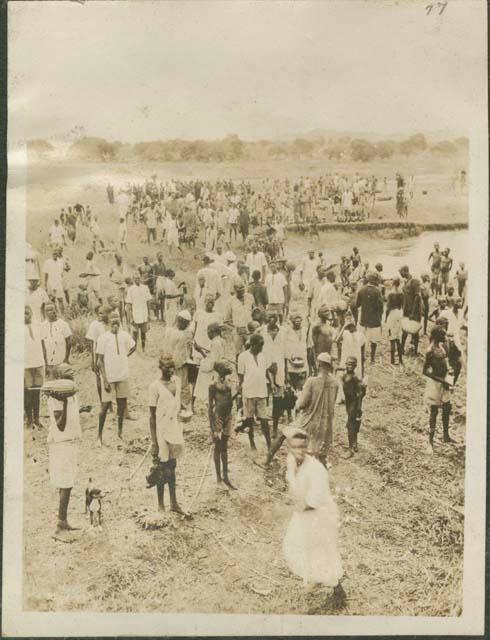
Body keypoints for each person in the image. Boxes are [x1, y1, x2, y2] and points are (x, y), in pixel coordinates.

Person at [282, 425, 345, 600]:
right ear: (289, 447)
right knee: (297, 545)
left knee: (322, 551)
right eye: (295, 447)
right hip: (304, 512)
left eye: (302, 447)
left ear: (307, 446)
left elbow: (314, 501)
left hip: (320, 514)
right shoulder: (292, 461)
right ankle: (314, 578)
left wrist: (287, 510)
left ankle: (337, 589)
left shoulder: (316, 469)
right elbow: (293, 486)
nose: (299, 451)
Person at [45, 364, 82, 542]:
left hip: (71, 442)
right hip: (61, 444)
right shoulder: (56, 399)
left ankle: (64, 520)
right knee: (65, 483)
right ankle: (59, 526)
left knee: (68, 483)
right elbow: (60, 425)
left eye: (72, 375)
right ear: (60, 379)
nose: (71, 378)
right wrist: (65, 402)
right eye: (68, 376)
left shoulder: (70, 394)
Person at [148, 354, 188, 515]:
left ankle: (174, 502)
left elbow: (178, 401)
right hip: (161, 429)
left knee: (172, 466)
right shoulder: (155, 386)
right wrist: (154, 442)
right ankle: (160, 504)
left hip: (175, 427)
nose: (170, 370)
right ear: (160, 368)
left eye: (172, 367)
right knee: (161, 468)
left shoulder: (177, 381)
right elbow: (151, 416)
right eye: (166, 367)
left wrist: (185, 410)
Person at [96, 313, 136, 444]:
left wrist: (124, 357)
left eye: (117, 322)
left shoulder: (124, 335)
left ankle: (119, 433)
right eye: (113, 322)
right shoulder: (103, 338)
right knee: (105, 406)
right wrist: (105, 379)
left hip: (122, 376)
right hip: (109, 378)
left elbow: (133, 346)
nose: (115, 325)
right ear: (108, 324)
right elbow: (100, 361)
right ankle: (99, 437)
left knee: (122, 405)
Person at [295, 352, 338, 468]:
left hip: (310, 423)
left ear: (318, 365)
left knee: (293, 438)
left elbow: (302, 404)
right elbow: (333, 402)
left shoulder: (311, 381)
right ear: (329, 366)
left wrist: (297, 400)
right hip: (326, 424)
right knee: (321, 454)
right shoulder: (335, 382)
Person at [236, 332, 272, 452]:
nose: (261, 348)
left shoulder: (263, 356)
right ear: (252, 344)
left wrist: (271, 384)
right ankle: (252, 443)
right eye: (259, 345)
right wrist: (240, 390)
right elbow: (240, 376)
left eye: (262, 345)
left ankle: (269, 444)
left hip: (261, 391)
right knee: (249, 419)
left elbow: (266, 372)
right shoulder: (243, 357)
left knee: (264, 420)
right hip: (249, 392)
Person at [423, 326, 455, 449]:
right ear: (437, 336)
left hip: (444, 382)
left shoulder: (441, 346)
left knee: (447, 407)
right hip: (435, 384)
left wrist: (449, 373)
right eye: (442, 335)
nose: (445, 337)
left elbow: (445, 363)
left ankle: (446, 435)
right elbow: (425, 371)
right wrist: (441, 379)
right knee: (434, 411)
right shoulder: (430, 350)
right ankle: (430, 441)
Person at [208, 360, 236, 490]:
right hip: (218, 416)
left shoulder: (229, 382)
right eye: (225, 367)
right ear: (220, 370)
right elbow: (210, 406)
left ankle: (225, 476)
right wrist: (212, 426)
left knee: (224, 446)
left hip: (228, 416)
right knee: (217, 446)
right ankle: (219, 478)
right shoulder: (213, 385)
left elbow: (230, 399)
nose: (228, 368)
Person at [163, 310, 194, 413]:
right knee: (183, 387)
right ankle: (182, 408)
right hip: (179, 364)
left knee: (169, 385)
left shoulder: (168, 330)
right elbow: (181, 354)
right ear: (184, 322)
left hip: (167, 362)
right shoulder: (182, 336)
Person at [24, 305, 46, 430]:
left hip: (38, 363)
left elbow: (42, 343)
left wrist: (45, 361)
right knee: (27, 393)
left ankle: (37, 419)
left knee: (37, 392)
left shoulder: (38, 325)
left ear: (31, 313)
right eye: (22, 314)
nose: (24, 316)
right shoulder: (15, 327)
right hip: (25, 366)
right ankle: (29, 420)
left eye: (27, 313)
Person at [355, 271, 384, 365]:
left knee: (362, 338)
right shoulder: (378, 291)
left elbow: (357, 304)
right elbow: (381, 307)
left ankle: (362, 356)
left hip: (364, 318)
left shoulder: (361, 290)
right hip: (374, 320)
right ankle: (372, 359)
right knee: (373, 341)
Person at [342, 356, 367, 458]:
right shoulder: (346, 376)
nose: (350, 366)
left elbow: (361, 392)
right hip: (349, 403)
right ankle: (354, 443)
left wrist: (358, 406)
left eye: (352, 365)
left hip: (354, 403)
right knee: (353, 423)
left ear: (355, 366)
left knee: (350, 425)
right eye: (348, 364)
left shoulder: (355, 378)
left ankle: (350, 449)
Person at [85, 306, 109, 404]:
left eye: (103, 313)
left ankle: (110, 401)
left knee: (109, 378)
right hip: (99, 354)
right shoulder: (94, 325)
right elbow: (92, 343)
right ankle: (102, 401)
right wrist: (93, 360)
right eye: (99, 313)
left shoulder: (109, 324)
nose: (101, 315)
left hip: (109, 354)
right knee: (99, 378)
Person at [40, 303, 72, 375]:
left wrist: (66, 358)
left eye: (51, 309)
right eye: (47, 310)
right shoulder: (42, 325)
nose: (49, 312)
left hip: (61, 358)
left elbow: (69, 342)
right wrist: (45, 362)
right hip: (48, 360)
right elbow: (42, 345)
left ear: (55, 310)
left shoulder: (63, 324)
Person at [126, 273, 152, 352]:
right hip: (135, 313)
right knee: (135, 332)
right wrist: (130, 317)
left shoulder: (145, 288)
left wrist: (149, 314)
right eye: (135, 278)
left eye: (138, 278)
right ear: (133, 279)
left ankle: (143, 347)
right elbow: (129, 304)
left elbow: (148, 302)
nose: (137, 280)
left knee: (143, 332)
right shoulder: (131, 289)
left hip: (144, 313)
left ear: (141, 278)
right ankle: (134, 348)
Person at [401, 278, 423, 356]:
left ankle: (413, 350)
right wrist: (408, 313)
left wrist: (411, 313)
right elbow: (408, 300)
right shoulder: (410, 284)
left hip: (413, 312)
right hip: (410, 312)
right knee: (408, 331)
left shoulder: (413, 283)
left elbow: (416, 299)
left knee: (412, 331)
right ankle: (404, 349)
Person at [385, 278, 404, 365]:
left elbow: (388, 308)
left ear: (393, 283)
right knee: (398, 338)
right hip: (399, 313)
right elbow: (402, 305)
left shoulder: (390, 293)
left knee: (392, 338)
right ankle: (400, 359)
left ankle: (392, 360)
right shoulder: (401, 293)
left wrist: (386, 318)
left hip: (392, 314)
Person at [43, 249, 66, 315]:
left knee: (60, 299)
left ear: (58, 254)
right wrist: (45, 283)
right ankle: (55, 313)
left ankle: (63, 314)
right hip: (50, 283)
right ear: (51, 254)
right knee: (52, 299)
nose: (55, 255)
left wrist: (61, 282)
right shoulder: (48, 262)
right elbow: (46, 273)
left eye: (56, 254)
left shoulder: (60, 262)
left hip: (58, 283)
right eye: (53, 254)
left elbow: (61, 274)